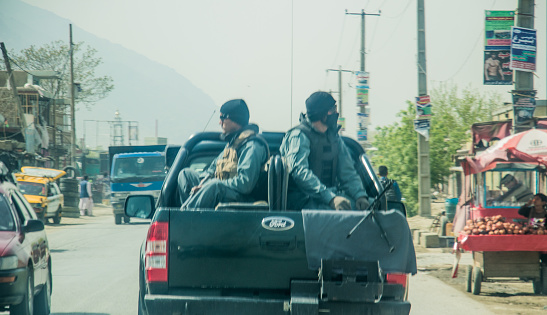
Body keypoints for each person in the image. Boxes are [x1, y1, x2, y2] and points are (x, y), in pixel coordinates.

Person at [280, 91, 370, 211]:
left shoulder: (334, 138)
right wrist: (330, 198)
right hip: (303, 201)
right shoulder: (299, 136)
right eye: (332, 110)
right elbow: (300, 172)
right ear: (322, 114)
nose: (336, 113)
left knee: (372, 207)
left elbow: (347, 172)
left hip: (328, 197)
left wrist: (360, 196)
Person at [178, 99, 269, 209]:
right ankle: (191, 210)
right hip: (226, 190)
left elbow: (245, 184)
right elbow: (212, 169)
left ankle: (186, 217)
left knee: (214, 186)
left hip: (244, 200)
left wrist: (208, 185)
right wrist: (202, 183)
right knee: (185, 174)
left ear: (234, 119)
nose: (219, 122)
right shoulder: (233, 144)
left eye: (222, 118)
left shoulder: (252, 146)